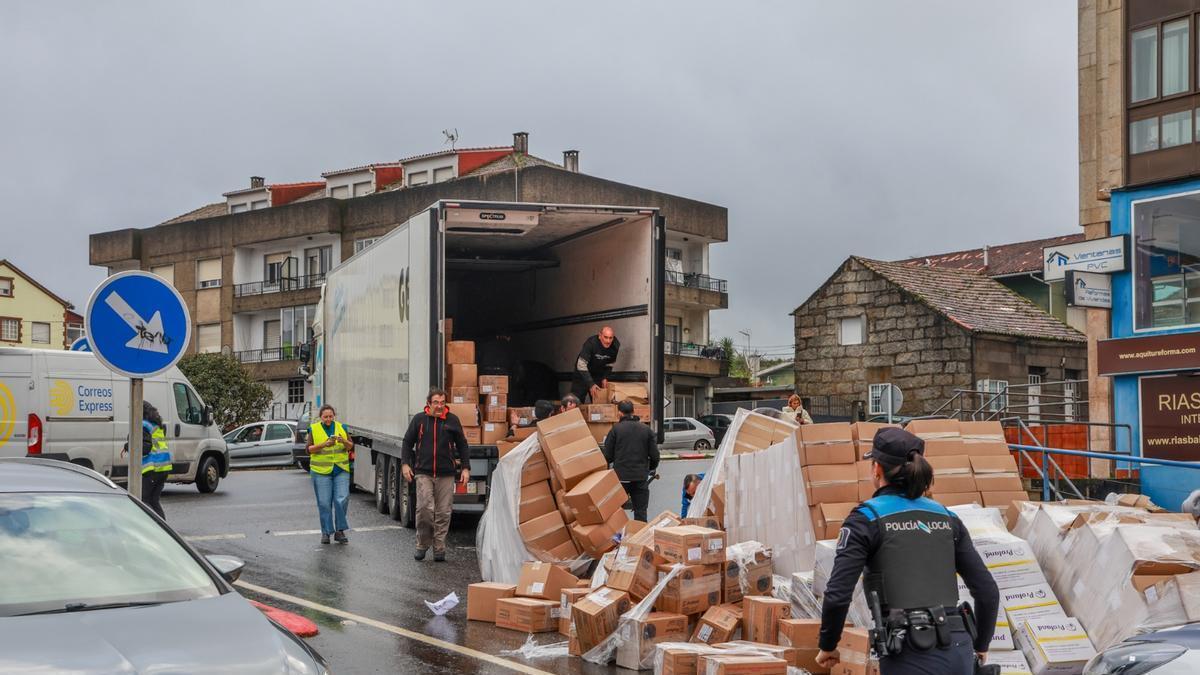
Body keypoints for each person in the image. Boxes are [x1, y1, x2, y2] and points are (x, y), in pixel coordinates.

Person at [815, 427, 999, 674]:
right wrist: (981, 645)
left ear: (877, 469)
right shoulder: (947, 518)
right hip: (958, 649)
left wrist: (828, 645)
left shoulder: (866, 518)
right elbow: (987, 592)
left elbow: (838, 594)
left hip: (909, 652)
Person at [401, 388, 470, 562]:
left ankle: (439, 547)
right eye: (436, 403)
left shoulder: (452, 420)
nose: (439, 406)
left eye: (442, 402)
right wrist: (405, 464)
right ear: (429, 404)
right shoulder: (419, 420)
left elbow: (462, 444)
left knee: (443, 512)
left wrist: (466, 468)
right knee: (424, 509)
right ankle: (422, 544)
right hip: (423, 472)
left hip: (446, 473)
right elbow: (407, 442)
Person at [602, 400, 660, 521]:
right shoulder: (646, 430)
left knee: (616, 513)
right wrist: (649, 469)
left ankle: (619, 538)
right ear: (633, 411)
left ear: (619, 413)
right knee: (640, 513)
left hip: (621, 478)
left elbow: (607, 456)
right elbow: (655, 456)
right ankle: (640, 538)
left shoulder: (615, 430)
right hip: (640, 478)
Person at [307, 404, 355, 545]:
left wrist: (343, 440)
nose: (328, 419)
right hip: (321, 471)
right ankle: (326, 532)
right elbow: (308, 449)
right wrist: (323, 444)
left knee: (342, 499)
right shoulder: (314, 429)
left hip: (340, 469)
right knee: (324, 503)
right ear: (320, 417)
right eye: (325, 417)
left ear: (334, 416)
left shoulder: (342, 428)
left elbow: (350, 446)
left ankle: (340, 531)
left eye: (331, 416)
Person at [124, 401, 171, 519]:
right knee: (154, 501)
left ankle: (155, 527)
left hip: (152, 468)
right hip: (163, 468)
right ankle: (163, 529)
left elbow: (145, 447)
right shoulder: (155, 424)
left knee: (144, 500)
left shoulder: (142, 425)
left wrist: (128, 446)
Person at [571, 326, 620, 403]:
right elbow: (581, 365)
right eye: (605, 337)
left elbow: (610, 364)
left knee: (599, 403)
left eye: (611, 338)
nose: (608, 341)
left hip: (597, 375)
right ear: (600, 336)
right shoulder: (591, 343)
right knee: (576, 402)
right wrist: (591, 384)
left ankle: (596, 415)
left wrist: (605, 377)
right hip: (582, 374)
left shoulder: (615, 345)